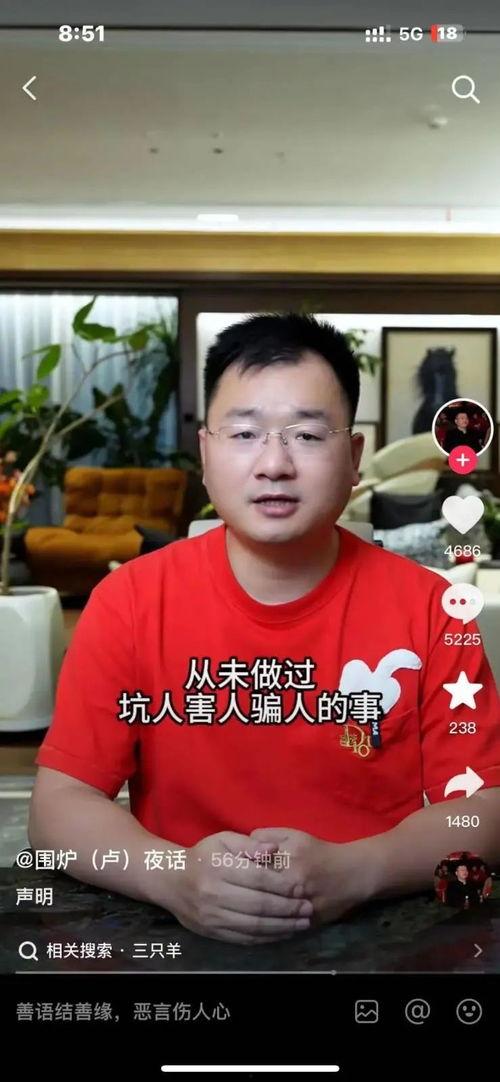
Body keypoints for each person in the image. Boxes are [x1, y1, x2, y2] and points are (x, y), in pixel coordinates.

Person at [29, 313, 500, 946]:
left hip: (379, 932)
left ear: (353, 457)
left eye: (307, 434)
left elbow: (483, 809)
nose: (274, 464)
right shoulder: (130, 601)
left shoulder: (435, 610)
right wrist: (173, 876)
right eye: (245, 433)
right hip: (176, 934)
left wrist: (358, 871)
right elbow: (57, 809)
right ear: (205, 453)